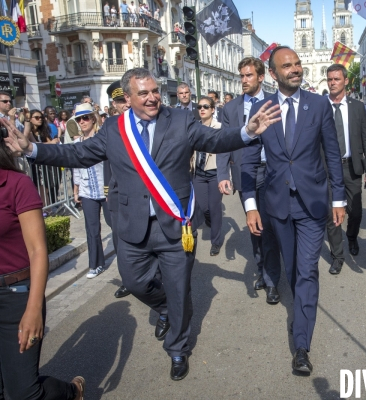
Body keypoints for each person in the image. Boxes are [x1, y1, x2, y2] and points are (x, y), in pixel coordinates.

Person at [3, 67, 281, 381]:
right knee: (134, 282)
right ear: (129, 97)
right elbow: (78, 154)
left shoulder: (180, 120)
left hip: (175, 226)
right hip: (133, 226)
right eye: (144, 93)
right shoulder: (112, 128)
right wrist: (32, 149)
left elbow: (214, 139)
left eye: (155, 92)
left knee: (179, 290)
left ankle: (177, 347)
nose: (152, 98)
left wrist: (247, 132)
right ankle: (165, 308)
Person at [241, 46, 345, 374]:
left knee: (308, 270)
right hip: (278, 206)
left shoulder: (318, 105)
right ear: (273, 74)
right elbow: (247, 158)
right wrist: (250, 205)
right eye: (287, 66)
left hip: (313, 204)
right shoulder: (262, 108)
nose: (295, 69)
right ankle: (300, 313)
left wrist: (338, 199)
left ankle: (301, 344)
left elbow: (332, 153)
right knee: (292, 271)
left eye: (298, 63)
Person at [0, 134, 85, 399]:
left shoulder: (16, 184)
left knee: (23, 394)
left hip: (15, 296)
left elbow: (38, 251)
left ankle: (72, 392)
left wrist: (34, 308)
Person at [217, 56, 282, 303]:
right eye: (241, 76)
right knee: (255, 226)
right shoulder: (231, 108)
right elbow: (223, 142)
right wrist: (223, 174)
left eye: (249, 76)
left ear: (261, 77)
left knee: (269, 227)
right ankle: (262, 269)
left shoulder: (273, 102)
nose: (244, 80)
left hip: (272, 173)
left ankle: (271, 279)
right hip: (245, 173)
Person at [325, 64, 366, 274]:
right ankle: (337, 255)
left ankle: (352, 237)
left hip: (351, 168)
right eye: (329, 79)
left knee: (354, 212)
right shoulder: (321, 106)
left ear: (346, 81)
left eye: (336, 79)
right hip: (328, 169)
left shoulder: (356, 107)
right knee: (331, 215)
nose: (332, 83)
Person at [69, 104, 110, 279]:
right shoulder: (76, 143)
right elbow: (76, 168)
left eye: (85, 117)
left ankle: (128, 263)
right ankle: (96, 264)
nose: (82, 121)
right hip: (87, 191)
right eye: (79, 119)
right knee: (92, 229)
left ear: (93, 118)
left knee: (116, 226)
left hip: (106, 190)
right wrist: (76, 189)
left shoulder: (102, 139)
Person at [105, 80, 132, 299]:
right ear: (114, 104)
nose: (125, 104)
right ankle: (127, 279)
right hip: (117, 192)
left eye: (126, 99)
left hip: (142, 193)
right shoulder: (111, 126)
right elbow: (106, 163)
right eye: (120, 101)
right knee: (119, 239)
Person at [192, 96, 224, 256]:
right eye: (199, 107)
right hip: (198, 172)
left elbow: (226, 152)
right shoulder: (194, 127)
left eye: (205, 106)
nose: (202, 109)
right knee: (202, 206)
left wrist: (227, 175)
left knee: (215, 207)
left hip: (215, 172)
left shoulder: (219, 127)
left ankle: (216, 242)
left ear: (213, 109)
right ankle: (210, 220)